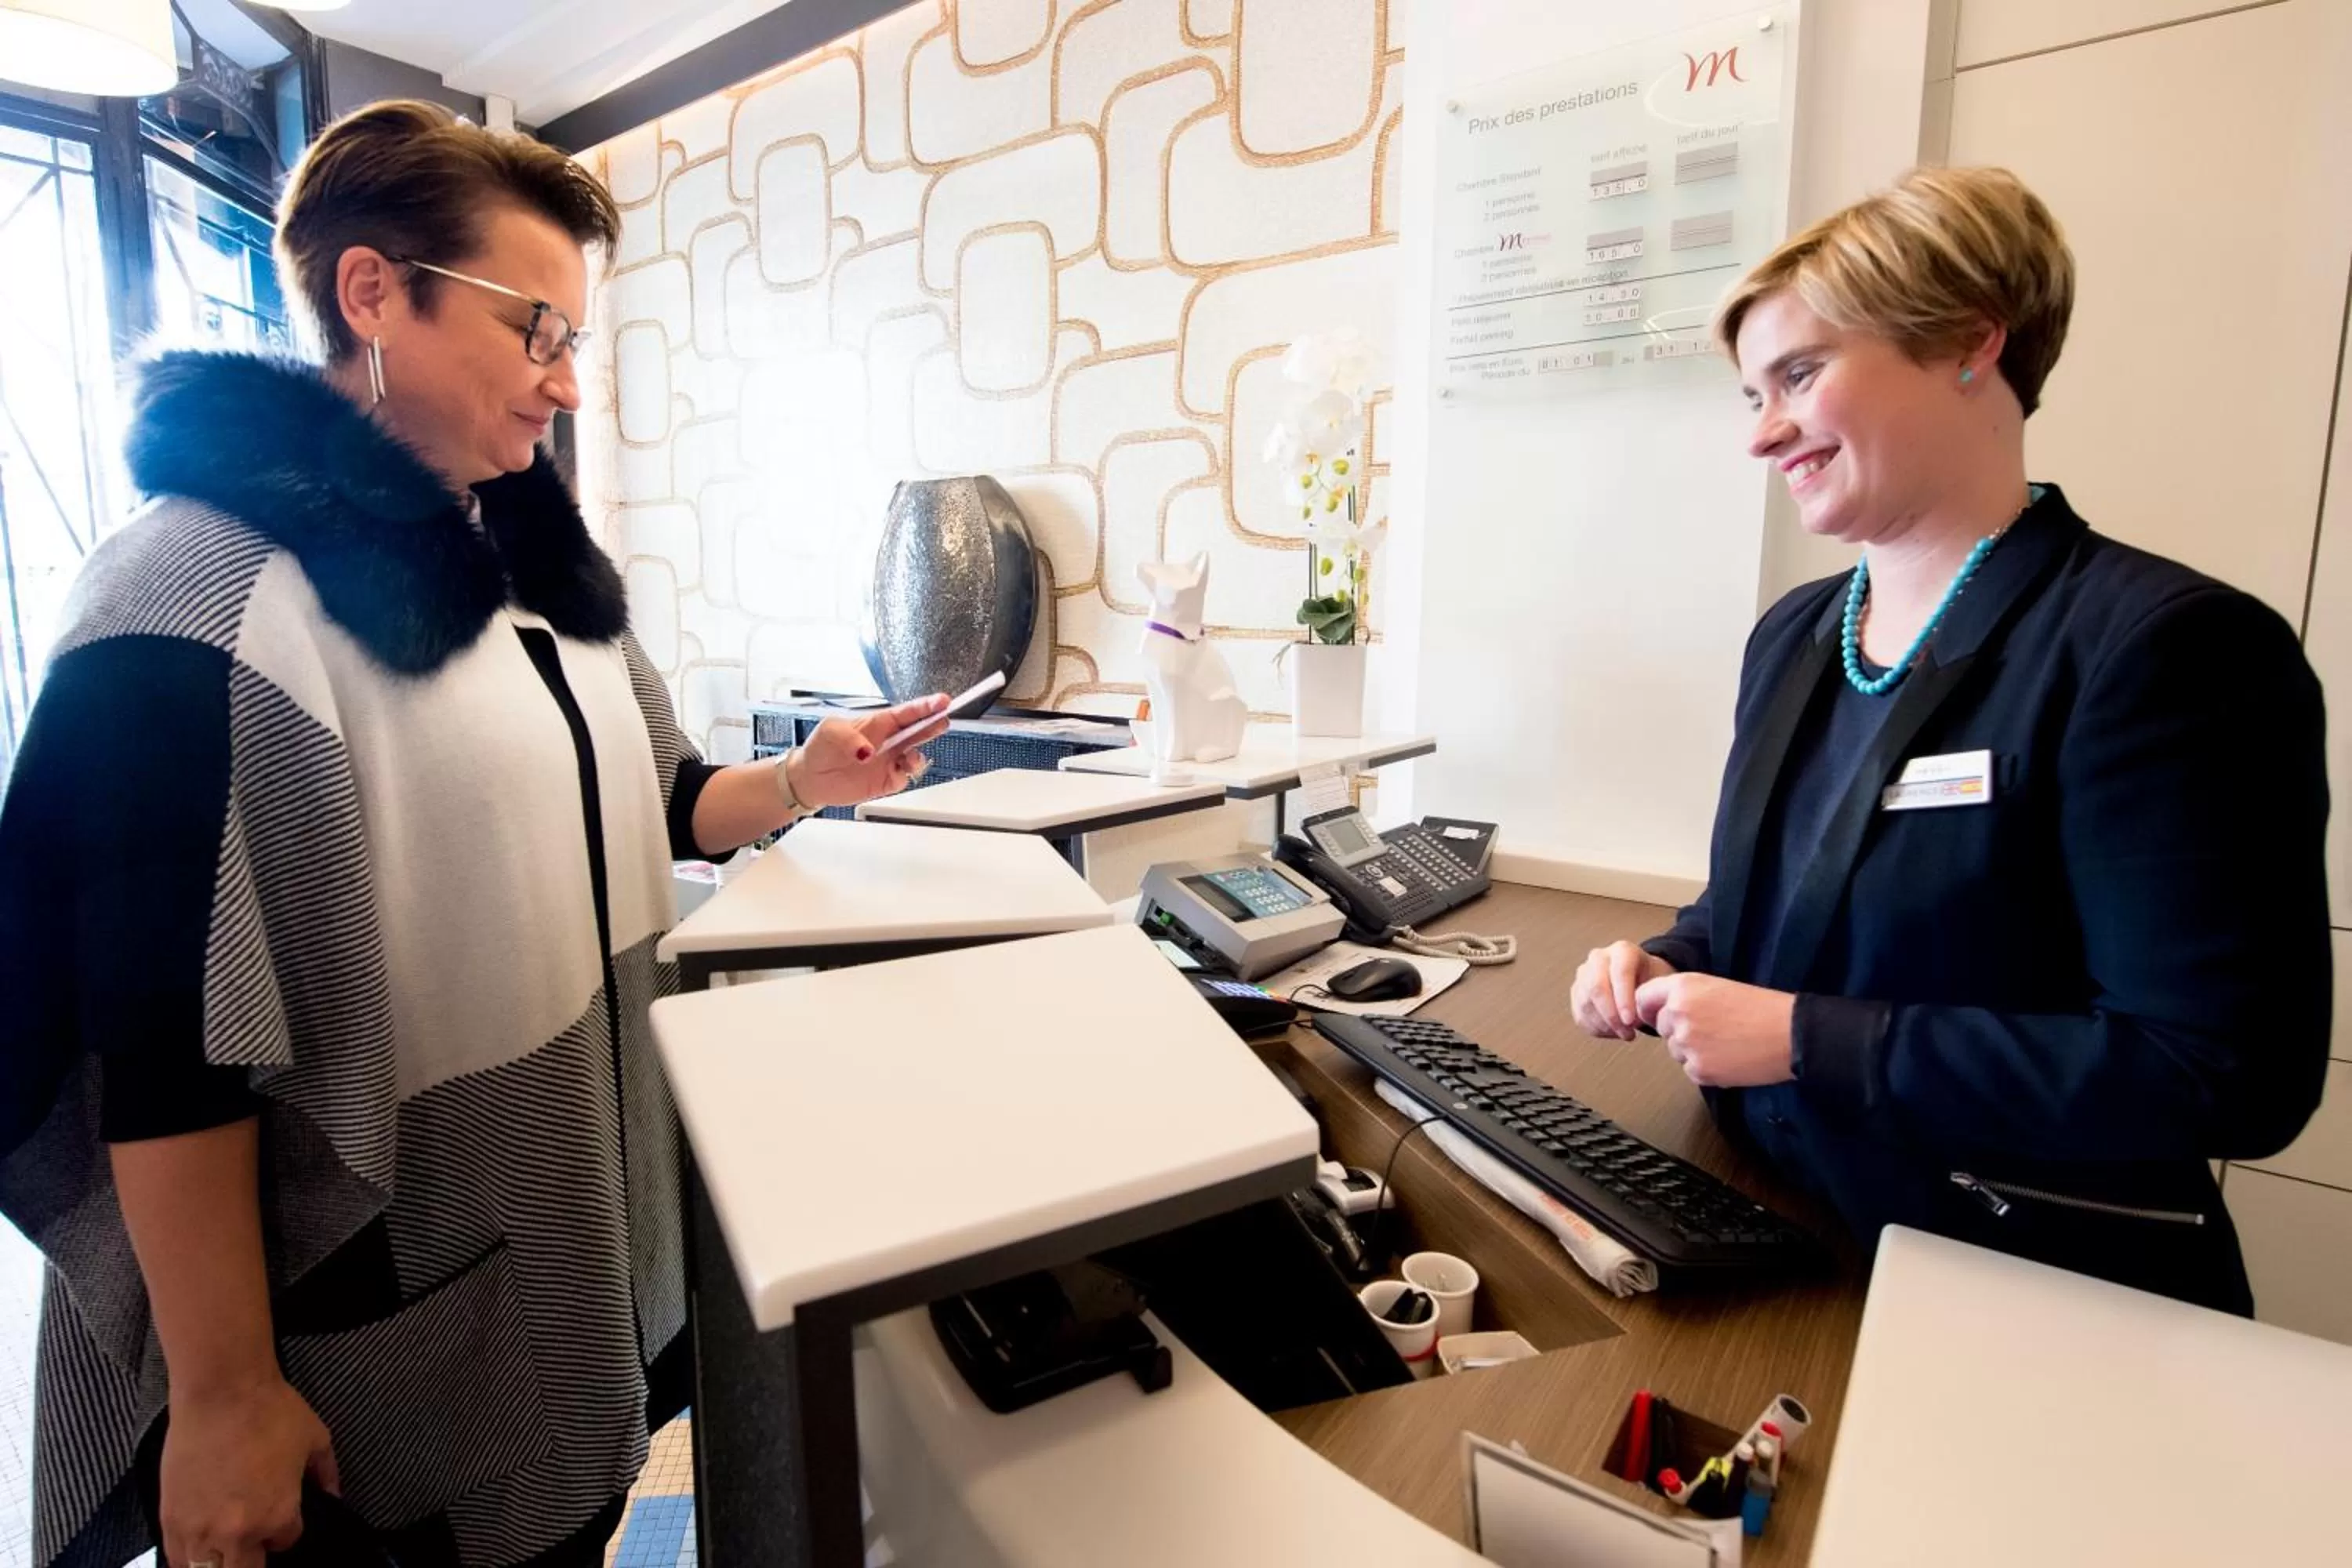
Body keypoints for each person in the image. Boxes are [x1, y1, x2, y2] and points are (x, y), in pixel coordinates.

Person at [0, 101, 950, 1568]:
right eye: (534, 331)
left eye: (575, 340)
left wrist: (803, 782)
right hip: (388, 1313)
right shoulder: (196, 598)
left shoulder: (533, 569)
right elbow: (152, 1040)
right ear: (372, 292)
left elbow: (660, 792)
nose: (565, 383)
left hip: (576, 1232)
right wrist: (226, 1392)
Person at [1569, 166, 2328, 1315]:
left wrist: (1806, 1040)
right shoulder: (1796, 635)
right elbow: (1777, 909)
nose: (1763, 433)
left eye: (1800, 375)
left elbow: (2222, 1075)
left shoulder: (2164, 649)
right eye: (1751, 395)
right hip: (1776, 1214)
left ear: (1972, 344)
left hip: (2016, 1281)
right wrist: (1670, 960)